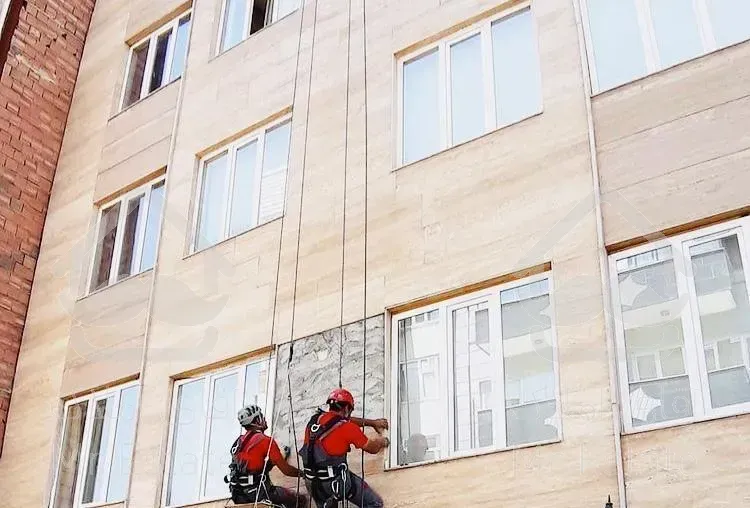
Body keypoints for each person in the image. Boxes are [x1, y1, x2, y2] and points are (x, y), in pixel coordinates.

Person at [300, 388, 389, 508]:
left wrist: (372, 423)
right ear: (347, 408)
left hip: (312, 483)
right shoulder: (348, 428)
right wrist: (381, 442)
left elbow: (340, 420)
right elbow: (372, 448)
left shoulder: (314, 421)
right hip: (335, 481)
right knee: (374, 503)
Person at [226, 404, 308, 507]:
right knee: (298, 499)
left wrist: (281, 457)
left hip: (238, 495)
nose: (264, 419)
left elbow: (255, 464)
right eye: (262, 416)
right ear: (257, 420)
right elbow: (286, 470)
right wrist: (303, 474)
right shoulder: (265, 441)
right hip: (258, 493)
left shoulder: (238, 443)